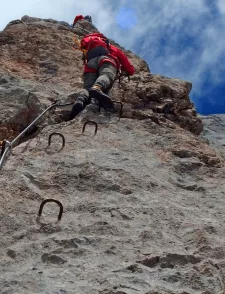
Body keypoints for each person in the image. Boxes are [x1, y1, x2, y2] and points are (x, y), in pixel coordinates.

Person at [70, 32, 135, 120]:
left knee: (87, 87)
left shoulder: (88, 46)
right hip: (105, 60)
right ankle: (98, 87)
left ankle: (81, 99)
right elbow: (124, 61)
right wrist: (130, 71)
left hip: (90, 64)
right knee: (106, 74)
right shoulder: (110, 46)